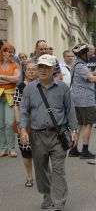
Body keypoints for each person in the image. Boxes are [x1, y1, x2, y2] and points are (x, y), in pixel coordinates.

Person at [19, 54, 79, 211]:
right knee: (41, 168)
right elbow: (24, 110)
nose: (43, 70)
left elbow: (70, 109)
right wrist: (23, 129)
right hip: (37, 135)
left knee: (58, 169)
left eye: (46, 67)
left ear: (53, 69)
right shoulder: (30, 88)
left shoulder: (62, 88)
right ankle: (47, 194)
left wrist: (74, 130)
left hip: (58, 134)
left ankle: (59, 201)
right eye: (40, 67)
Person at [13, 61, 38, 187]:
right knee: (26, 153)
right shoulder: (20, 86)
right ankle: (29, 177)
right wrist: (19, 122)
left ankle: (42, 177)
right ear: (25, 71)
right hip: (25, 124)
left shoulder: (41, 85)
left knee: (40, 152)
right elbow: (16, 105)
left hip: (40, 124)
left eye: (34, 69)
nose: (31, 71)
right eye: (29, 69)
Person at [0, 43, 20, 157]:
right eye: (9, 51)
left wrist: (2, 77)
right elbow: (12, 79)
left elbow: (17, 78)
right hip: (0, 97)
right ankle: (3, 148)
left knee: (9, 123)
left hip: (10, 97)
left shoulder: (15, 65)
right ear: (3, 52)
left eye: (13, 52)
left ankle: (11, 149)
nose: (11, 54)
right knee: (1, 125)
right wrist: (10, 80)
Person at [86, 44, 96, 113]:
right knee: (86, 103)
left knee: (95, 103)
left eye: (91, 49)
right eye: (88, 49)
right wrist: (91, 73)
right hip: (85, 85)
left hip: (95, 85)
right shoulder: (84, 59)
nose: (90, 50)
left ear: (94, 50)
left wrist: (86, 74)